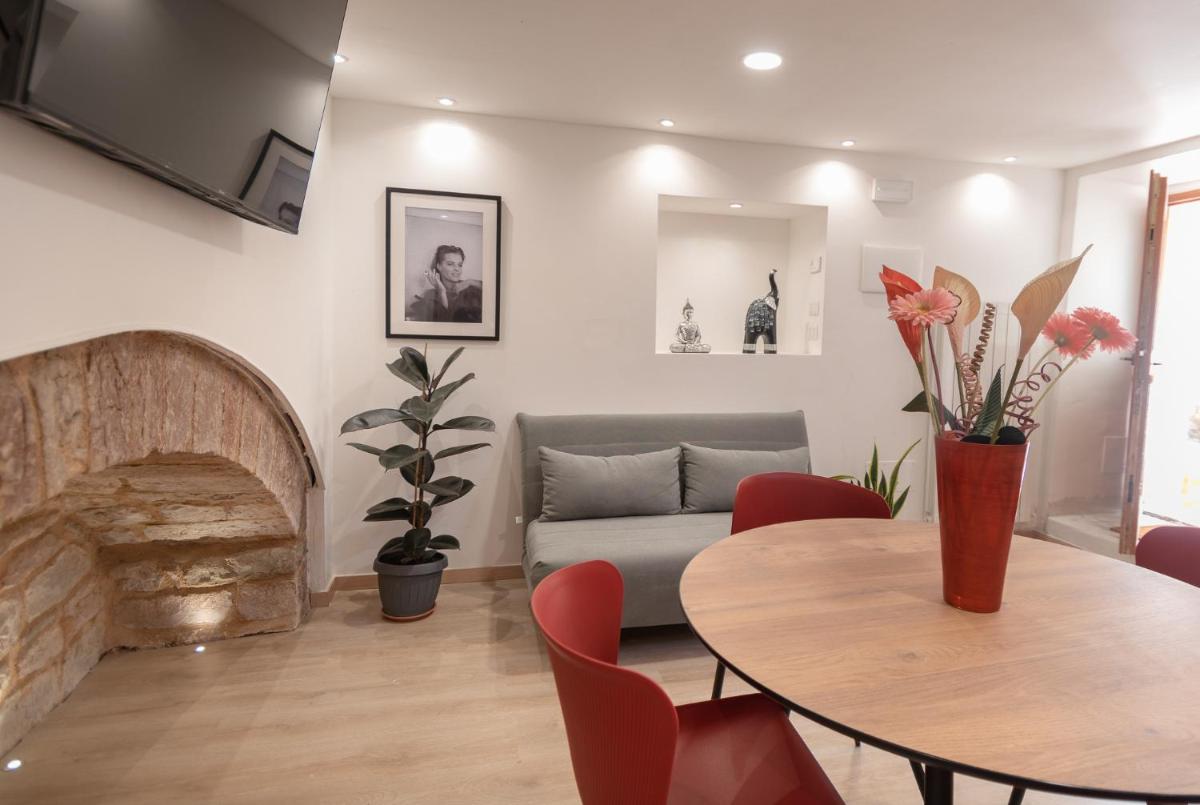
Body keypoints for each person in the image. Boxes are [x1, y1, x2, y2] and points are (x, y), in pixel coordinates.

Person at [406, 245, 483, 323]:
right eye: (450, 264)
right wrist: (442, 292)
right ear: (439, 266)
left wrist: (470, 281)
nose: (457, 269)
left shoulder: (471, 290)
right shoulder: (430, 296)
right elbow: (444, 323)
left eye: (460, 265)